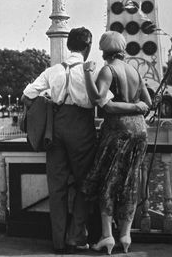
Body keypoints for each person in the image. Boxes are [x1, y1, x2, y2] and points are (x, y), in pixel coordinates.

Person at [21, 27, 149, 254]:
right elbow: (104, 102)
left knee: (57, 187)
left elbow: (27, 95)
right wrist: (138, 107)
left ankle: (59, 242)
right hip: (82, 128)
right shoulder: (92, 71)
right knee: (86, 184)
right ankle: (76, 236)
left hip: (56, 128)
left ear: (68, 45)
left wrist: (48, 102)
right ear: (88, 47)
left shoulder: (52, 71)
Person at [81, 31, 152, 254]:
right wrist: (136, 107)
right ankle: (126, 235)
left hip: (117, 131)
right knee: (130, 181)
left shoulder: (108, 70)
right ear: (122, 48)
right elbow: (147, 104)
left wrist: (87, 74)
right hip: (140, 131)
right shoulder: (134, 71)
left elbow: (102, 102)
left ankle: (107, 236)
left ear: (103, 50)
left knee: (108, 181)